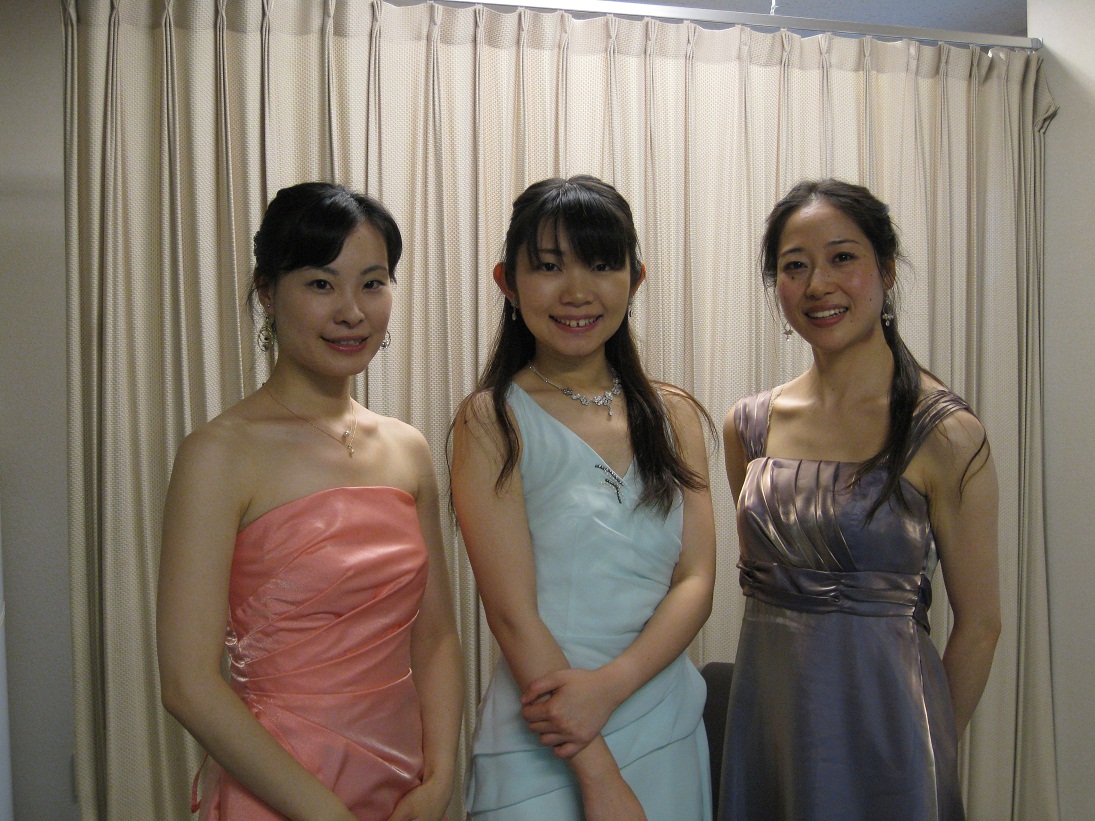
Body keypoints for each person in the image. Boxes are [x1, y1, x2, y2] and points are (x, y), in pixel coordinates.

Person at [157, 182, 463, 821]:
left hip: (402, 791)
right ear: (268, 292)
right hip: (279, 790)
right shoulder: (220, 452)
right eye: (321, 284)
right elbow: (187, 685)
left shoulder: (406, 450)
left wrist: (439, 779)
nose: (352, 311)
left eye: (372, 284)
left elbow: (434, 637)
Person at [719, 179, 1001, 820]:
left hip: (889, 735)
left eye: (842, 258)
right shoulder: (749, 426)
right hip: (770, 727)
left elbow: (980, 626)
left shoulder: (945, 434)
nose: (818, 284)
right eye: (795, 266)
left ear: (887, 269)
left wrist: (925, 750)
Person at [451, 175, 716, 820]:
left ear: (636, 278)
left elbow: (696, 581)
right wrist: (599, 774)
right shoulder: (491, 420)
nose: (577, 291)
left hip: (666, 726)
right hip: (543, 740)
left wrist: (609, 688)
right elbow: (511, 615)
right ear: (507, 282)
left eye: (601, 265)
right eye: (548, 267)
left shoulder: (675, 415)